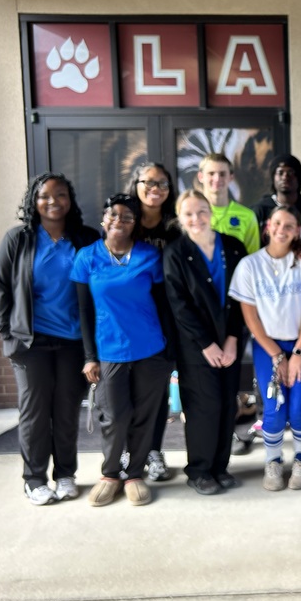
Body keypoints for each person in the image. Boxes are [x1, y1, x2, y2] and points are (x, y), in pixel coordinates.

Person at [0, 173, 100, 506]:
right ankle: (34, 479)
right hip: (31, 344)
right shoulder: (18, 240)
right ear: (33, 201)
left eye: (61, 195)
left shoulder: (85, 238)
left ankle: (65, 474)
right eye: (45, 196)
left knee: (66, 411)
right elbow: (0, 287)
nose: (53, 202)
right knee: (35, 413)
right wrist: (6, 331)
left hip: (72, 343)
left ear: (71, 199)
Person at [71, 194, 172, 507]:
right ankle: (111, 473)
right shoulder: (86, 258)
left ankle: (136, 474)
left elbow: (163, 305)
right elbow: (84, 311)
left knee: (145, 415)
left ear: (135, 224)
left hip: (151, 349)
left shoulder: (149, 256)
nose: (119, 221)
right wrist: (89, 357)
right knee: (113, 416)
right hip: (109, 350)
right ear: (103, 220)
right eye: (113, 215)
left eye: (127, 216)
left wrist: (170, 353)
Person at [229, 206, 301, 490]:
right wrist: (276, 355)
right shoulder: (250, 265)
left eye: (289, 225)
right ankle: (272, 462)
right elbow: (250, 317)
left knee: (298, 407)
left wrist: (297, 354)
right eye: (277, 224)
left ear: (297, 230)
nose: (282, 229)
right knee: (274, 408)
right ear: (267, 227)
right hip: (267, 344)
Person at [163, 189, 247, 495]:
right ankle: (199, 470)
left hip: (230, 343)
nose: (196, 218)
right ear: (180, 219)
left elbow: (241, 299)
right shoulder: (175, 253)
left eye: (201, 211)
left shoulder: (234, 248)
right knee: (203, 407)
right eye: (188, 214)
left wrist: (234, 338)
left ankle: (219, 467)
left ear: (210, 212)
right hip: (196, 347)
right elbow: (179, 304)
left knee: (227, 404)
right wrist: (206, 343)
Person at [126, 162, 181, 482]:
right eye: (148, 182)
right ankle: (128, 449)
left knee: (156, 392)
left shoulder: (175, 228)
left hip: (164, 322)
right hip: (127, 319)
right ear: (136, 184)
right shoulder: (124, 223)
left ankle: (154, 451)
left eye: (162, 183)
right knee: (124, 393)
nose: (155, 188)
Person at [196, 152, 261, 254]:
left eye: (222, 174)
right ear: (201, 177)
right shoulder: (191, 215)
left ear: (231, 177)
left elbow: (252, 260)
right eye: (211, 173)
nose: (217, 179)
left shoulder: (248, 216)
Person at [251, 154, 301, 228]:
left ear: (299, 178)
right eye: (280, 173)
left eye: (290, 172)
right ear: (273, 178)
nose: (285, 177)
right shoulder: (260, 210)